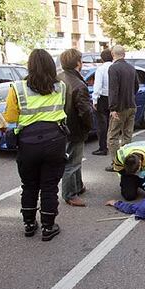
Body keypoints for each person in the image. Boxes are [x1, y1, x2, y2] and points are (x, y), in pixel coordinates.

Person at [2, 49, 67, 241]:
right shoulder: (61, 87)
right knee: (49, 186)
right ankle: (48, 227)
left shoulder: (17, 88)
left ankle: (29, 224)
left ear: (30, 66)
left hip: (28, 143)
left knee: (29, 185)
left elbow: (10, 118)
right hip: (55, 141)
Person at [58, 49, 93, 207]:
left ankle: (78, 186)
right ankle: (70, 194)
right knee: (73, 162)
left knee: (75, 160)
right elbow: (85, 111)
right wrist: (89, 126)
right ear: (78, 63)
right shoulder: (78, 84)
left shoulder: (59, 78)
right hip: (74, 128)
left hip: (61, 126)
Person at [105, 45, 139, 172]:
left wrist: (112, 108)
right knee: (127, 135)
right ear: (124, 54)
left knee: (112, 136)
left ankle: (116, 163)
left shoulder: (113, 68)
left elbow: (113, 89)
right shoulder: (131, 68)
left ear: (113, 54)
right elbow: (136, 86)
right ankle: (127, 162)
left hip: (119, 108)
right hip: (131, 105)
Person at [92, 48, 113, 156]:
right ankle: (112, 145)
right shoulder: (115, 67)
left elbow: (98, 86)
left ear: (102, 58)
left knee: (101, 125)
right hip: (114, 98)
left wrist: (95, 100)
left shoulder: (101, 69)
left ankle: (103, 148)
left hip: (103, 98)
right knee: (112, 124)